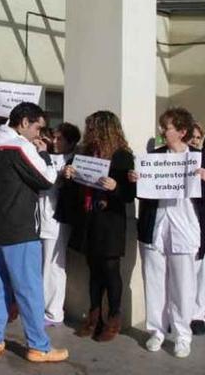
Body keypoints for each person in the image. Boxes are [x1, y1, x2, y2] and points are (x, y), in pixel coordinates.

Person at [0, 102, 68, 363]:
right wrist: (46, 157)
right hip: (19, 227)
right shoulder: (19, 146)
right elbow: (46, 180)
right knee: (30, 289)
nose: (40, 134)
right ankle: (38, 346)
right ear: (24, 123)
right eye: (37, 127)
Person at [129, 107, 205, 359]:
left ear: (182, 131)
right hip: (156, 227)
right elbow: (143, 192)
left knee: (183, 285)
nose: (162, 131)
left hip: (185, 227)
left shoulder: (199, 158)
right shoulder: (154, 157)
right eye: (162, 127)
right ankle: (156, 330)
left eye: (167, 127)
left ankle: (182, 335)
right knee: (154, 281)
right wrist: (135, 180)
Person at [67, 111, 135, 342]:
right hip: (90, 219)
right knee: (93, 270)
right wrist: (70, 173)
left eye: (93, 129)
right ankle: (94, 316)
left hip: (110, 221)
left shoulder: (122, 157)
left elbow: (129, 194)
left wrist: (116, 186)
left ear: (105, 130)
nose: (89, 133)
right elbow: (75, 181)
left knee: (110, 270)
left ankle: (114, 317)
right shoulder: (85, 153)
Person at [40, 122, 80, 327]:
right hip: (40, 215)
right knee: (42, 263)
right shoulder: (44, 154)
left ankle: (53, 311)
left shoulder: (73, 161)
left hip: (56, 217)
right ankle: (41, 305)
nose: (55, 142)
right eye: (53, 138)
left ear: (71, 142)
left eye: (60, 139)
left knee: (53, 264)